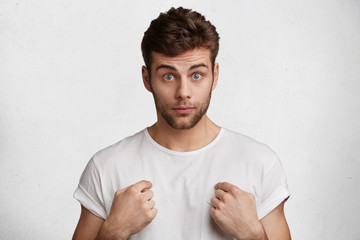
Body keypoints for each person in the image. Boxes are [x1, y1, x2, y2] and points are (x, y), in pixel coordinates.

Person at [72, 7, 291, 240]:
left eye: (196, 75)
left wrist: (252, 235)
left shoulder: (260, 163)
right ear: (147, 79)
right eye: (168, 76)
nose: (183, 92)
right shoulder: (106, 167)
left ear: (214, 76)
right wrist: (114, 232)